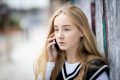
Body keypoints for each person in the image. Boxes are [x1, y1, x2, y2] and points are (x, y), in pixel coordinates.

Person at [34, 4, 109, 80]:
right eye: (56, 29)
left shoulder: (95, 69)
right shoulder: (53, 66)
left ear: (82, 31)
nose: (60, 35)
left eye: (66, 29)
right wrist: (50, 62)